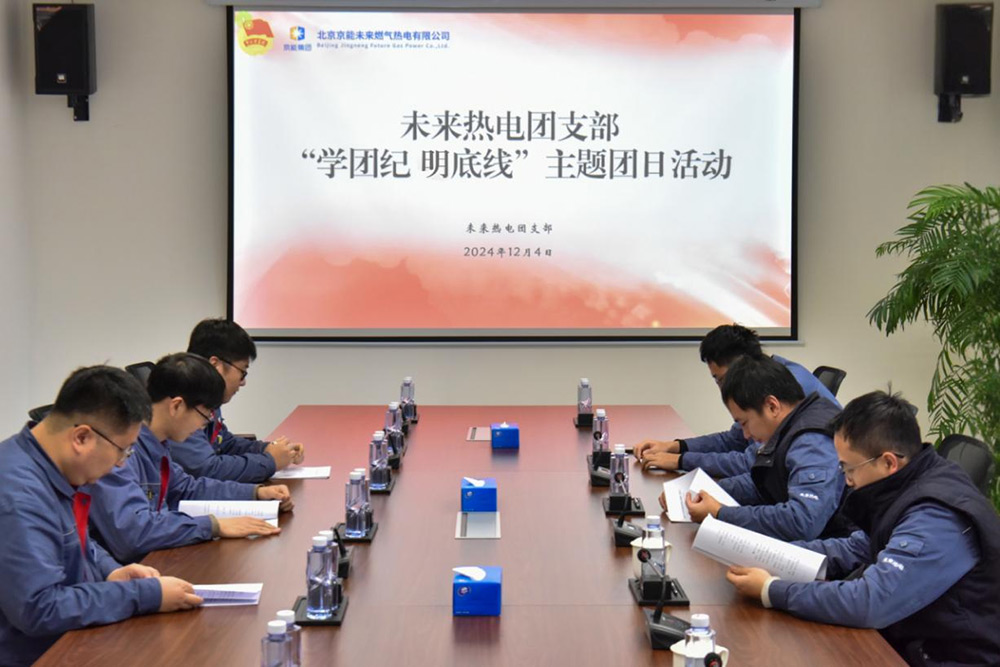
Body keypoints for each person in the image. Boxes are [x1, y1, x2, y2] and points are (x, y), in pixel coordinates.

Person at [726, 391, 1000, 666]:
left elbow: (871, 601)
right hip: (912, 639)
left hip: (950, 657)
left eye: (849, 469)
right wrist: (772, 553)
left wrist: (771, 590)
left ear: (888, 462)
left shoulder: (936, 516)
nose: (847, 481)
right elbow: (859, 546)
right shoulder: (910, 483)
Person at [0, 366, 203, 666]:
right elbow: (39, 608)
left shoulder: (50, 465)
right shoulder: (19, 495)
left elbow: (76, 540)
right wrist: (143, 595)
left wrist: (110, 572)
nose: (121, 464)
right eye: (124, 451)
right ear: (82, 437)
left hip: (67, 640)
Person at [87, 353, 292, 564]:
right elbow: (133, 532)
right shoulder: (119, 453)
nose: (203, 427)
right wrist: (213, 526)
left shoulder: (157, 444)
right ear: (176, 406)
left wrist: (254, 492)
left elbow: (186, 489)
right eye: (204, 416)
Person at [675, 354, 846, 541]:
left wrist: (720, 513)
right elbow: (765, 483)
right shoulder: (789, 427)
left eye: (744, 423)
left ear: (772, 406)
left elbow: (802, 522)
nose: (746, 434)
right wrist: (701, 491)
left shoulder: (812, 442)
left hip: (832, 548)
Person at [634, 323, 839, 475]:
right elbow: (735, 439)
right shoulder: (767, 375)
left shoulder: (782, 387)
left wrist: (680, 461)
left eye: (723, 379)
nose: (723, 389)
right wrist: (675, 447)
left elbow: (751, 462)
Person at [170, 318, 304, 482]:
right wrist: (270, 461)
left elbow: (225, 444)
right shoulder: (184, 402)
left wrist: (269, 449)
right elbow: (206, 469)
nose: (243, 382)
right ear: (215, 365)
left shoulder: (207, 400)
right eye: (242, 372)